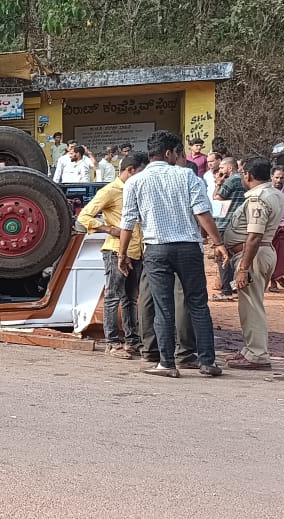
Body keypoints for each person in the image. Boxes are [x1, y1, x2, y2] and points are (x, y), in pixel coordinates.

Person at [118, 130, 226, 378]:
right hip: (188, 247)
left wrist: (122, 254)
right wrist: (217, 242)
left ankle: (167, 363)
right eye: (178, 153)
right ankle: (207, 362)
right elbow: (202, 213)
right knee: (198, 304)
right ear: (169, 153)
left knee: (163, 307)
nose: (179, 158)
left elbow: (128, 222)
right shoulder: (188, 176)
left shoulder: (135, 181)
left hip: (156, 249)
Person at [77, 152, 149, 358]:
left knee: (130, 298)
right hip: (115, 250)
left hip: (136, 250)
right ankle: (112, 342)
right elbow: (84, 216)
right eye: (141, 172)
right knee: (113, 296)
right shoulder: (110, 191)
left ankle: (132, 340)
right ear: (130, 170)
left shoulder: (135, 189)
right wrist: (108, 229)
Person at [222, 158, 284, 370]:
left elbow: (254, 236)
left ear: (248, 174)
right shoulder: (276, 194)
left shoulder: (258, 198)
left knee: (251, 306)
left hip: (253, 256)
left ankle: (257, 354)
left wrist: (243, 268)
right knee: (252, 304)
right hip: (262, 253)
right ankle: (251, 350)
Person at [211, 157, 246, 301]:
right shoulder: (243, 179)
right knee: (234, 257)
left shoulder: (231, 180)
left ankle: (227, 291)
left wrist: (218, 184)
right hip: (237, 223)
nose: (220, 171)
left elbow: (217, 198)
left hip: (224, 222)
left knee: (222, 257)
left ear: (229, 168)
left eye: (222, 168)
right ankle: (234, 288)